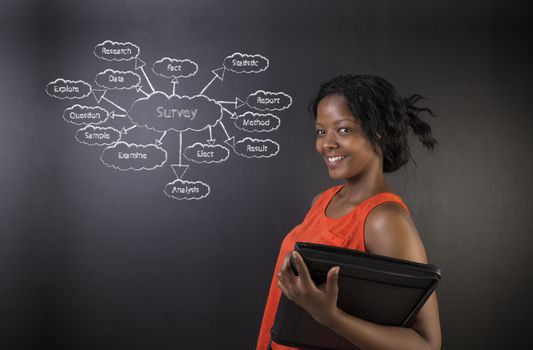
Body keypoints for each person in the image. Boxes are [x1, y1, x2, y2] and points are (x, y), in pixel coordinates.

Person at [256, 74, 441, 350]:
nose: (326, 144)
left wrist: (330, 316)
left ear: (377, 131)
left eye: (343, 130)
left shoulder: (384, 220)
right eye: (321, 131)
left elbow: (426, 344)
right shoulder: (322, 201)